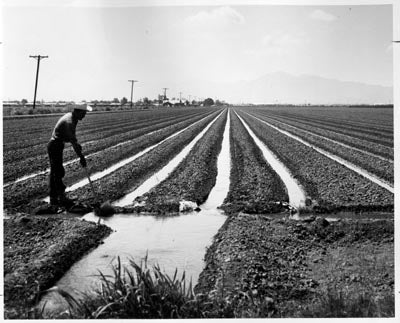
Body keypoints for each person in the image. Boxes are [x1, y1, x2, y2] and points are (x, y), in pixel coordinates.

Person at [47, 105, 92, 207]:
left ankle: (56, 198)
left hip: (58, 144)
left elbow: (72, 139)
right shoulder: (70, 121)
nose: (84, 116)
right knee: (57, 172)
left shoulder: (73, 118)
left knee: (56, 171)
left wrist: (76, 144)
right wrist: (81, 157)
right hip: (54, 145)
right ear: (77, 111)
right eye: (83, 114)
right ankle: (58, 199)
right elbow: (73, 141)